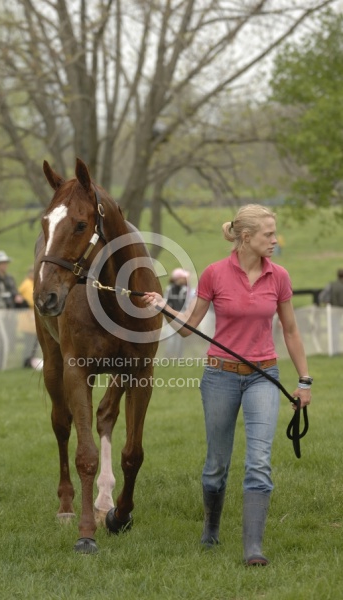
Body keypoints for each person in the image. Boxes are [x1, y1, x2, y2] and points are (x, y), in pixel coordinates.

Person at [143, 204, 312, 566]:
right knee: (216, 466)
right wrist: (162, 306)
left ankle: (253, 547)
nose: (275, 240)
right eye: (269, 234)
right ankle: (211, 528)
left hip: (264, 377)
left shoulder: (278, 276)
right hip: (219, 376)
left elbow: (292, 331)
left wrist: (305, 381)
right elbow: (189, 327)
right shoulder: (215, 274)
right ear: (246, 237)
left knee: (259, 462)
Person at [163, 268, 193, 358]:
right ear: (177, 279)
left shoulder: (186, 290)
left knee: (180, 339)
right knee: (171, 339)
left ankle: (179, 357)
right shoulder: (169, 289)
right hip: (171, 317)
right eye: (184, 278)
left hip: (182, 316)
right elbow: (165, 303)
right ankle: (169, 357)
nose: (186, 280)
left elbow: (188, 304)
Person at [18, 266, 39, 368]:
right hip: (28, 318)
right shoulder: (27, 284)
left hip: (32, 318)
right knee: (29, 341)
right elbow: (31, 300)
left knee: (33, 341)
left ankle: (30, 360)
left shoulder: (31, 283)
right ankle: (27, 361)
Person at [319, 268, 343, 354]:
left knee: (334, 331)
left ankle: (334, 350)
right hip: (337, 311)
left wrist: (327, 302)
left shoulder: (332, 285)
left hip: (333, 311)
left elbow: (322, 297)